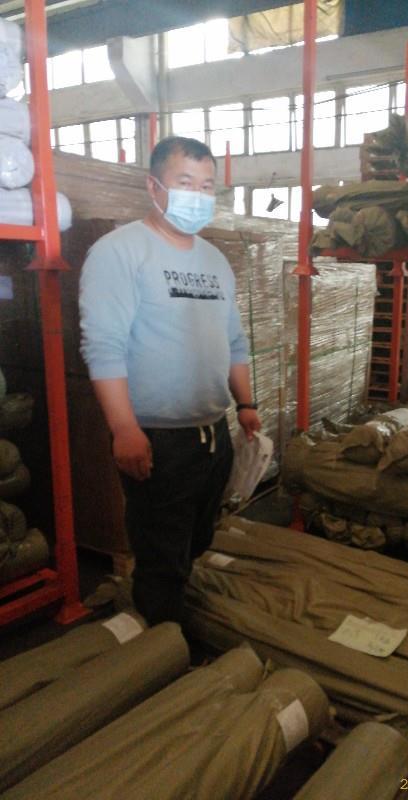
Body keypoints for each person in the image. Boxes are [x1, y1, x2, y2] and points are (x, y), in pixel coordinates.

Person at [79, 136, 261, 626]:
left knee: (196, 537)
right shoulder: (119, 252)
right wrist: (124, 429)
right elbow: (104, 346)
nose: (196, 196)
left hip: (213, 433)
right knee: (160, 554)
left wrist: (245, 404)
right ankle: (165, 644)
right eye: (185, 182)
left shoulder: (214, 260)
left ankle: (172, 610)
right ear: (154, 186)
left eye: (206, 186)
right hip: (158, 439)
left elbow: (234, 342)